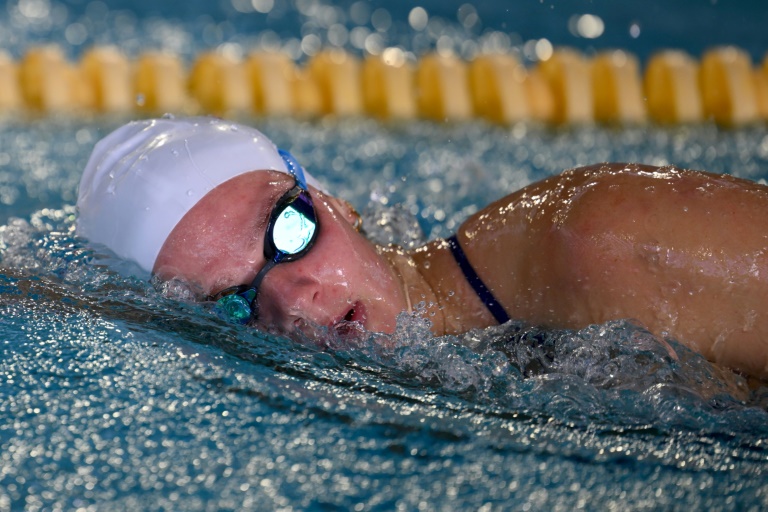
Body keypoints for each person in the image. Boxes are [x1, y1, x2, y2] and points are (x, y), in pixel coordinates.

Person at [77, 116, 768, 380]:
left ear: (334, 202)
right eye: (234, 301)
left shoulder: (594, 239)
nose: (292, 299)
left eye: (288, 233)